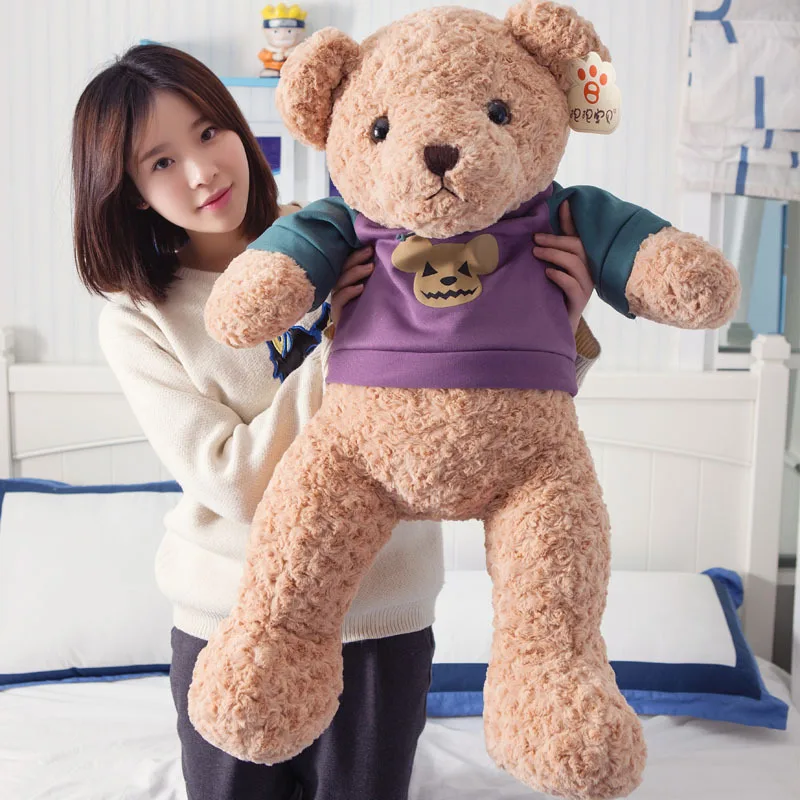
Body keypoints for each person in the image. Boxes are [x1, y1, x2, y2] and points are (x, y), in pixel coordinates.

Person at [71, 42, 600, 800]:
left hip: (384, 620)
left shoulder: (369, 230)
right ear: (127, 191)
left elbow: (490, 418)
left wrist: (556, 324)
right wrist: (342, 350)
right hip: (232, 626)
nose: (202, 170)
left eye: (209, 132)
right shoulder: (140, 318)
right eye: (161, 162)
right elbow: (235, 480)